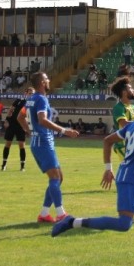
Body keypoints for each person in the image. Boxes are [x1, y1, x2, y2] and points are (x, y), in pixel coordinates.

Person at [51, 92, 134, 266]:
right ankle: (72, 222)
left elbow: (108, 140)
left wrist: (109, 168)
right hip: (130, 180)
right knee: (125, 224)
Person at [19, 73, 79, 223]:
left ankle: (45, 213)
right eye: (47, 79)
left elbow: (20, 117)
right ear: (41, 82)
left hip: (39, 142)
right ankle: (61, 214)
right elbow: (42, 120)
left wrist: (30, 131)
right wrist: (65, 131)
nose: (49, 80)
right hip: (43, 143)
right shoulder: (40, 98)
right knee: (55, 178)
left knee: (59, 178)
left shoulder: (31, 99)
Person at [1, 88, 34, 172]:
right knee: (8, 144)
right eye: (30, 93)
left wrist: (28, 127)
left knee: (21, 145)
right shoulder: (18, 101)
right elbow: (11, 110)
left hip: (21, 126)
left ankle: (22, 167)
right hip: (12, 124)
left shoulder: (32, 104)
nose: (31, 95)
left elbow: (31, 117)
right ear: (25, 93)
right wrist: (7, 120)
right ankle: (4, 165)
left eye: (32, 94)